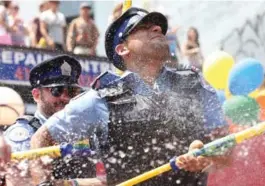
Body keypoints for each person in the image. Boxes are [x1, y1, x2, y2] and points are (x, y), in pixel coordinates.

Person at [31, 7, 229, 186]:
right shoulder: (101, 100)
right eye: (143, 27)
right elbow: (41, 139)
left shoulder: (196, 85)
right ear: (122, 48)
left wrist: (207, 158)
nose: (157, 29)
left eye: (159, 27)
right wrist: (44, 183)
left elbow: (226, 150)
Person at [3, 55, 97, 186]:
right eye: (56, 91)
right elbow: (19, 182)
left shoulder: (87, 132)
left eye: (71, 91)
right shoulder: (23, 133)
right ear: (36, 95)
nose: (65, 98)